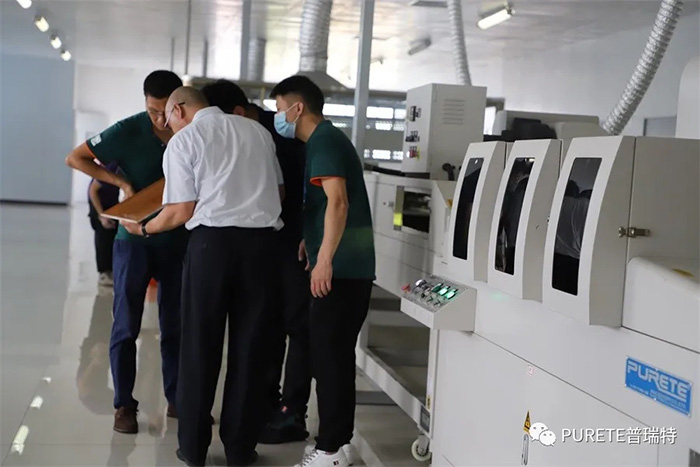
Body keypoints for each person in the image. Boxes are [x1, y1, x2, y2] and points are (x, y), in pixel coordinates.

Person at [121, 87, 285, 467]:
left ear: (178, 109)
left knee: (199, 346)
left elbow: (180, 210)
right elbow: (279, 191)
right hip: (261, 249)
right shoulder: (258, 132)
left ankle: (193, 448)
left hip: (212, 247)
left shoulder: (184, 141)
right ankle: (240, 448)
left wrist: (143, 228)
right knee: (251, 349)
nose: (167, 126)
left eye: (167, 119)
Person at [65, 70, 188, 434]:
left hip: (176, 241)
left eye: (166, 111)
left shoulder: (190, 131)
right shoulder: (128, 129)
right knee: (125, 324)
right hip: (133, 242)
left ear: (179, 104)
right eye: (152, 111)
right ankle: (123, 405)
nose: (160, 119)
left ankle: (177, 399)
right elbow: (76, 158)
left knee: (175, 325)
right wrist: (120, 182)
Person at [271, 75, 376, 467]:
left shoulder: (326, 142)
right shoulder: (323, 141)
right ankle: (339, 443)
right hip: (345, 266)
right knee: (335, 358)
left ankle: (329, 450)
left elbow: (338, 202)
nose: (279, 117)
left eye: (280, 109)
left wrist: (325, 259)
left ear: (297, 108)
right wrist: (311, 241)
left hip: (342, 270)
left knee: (329, 360)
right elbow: (324, 206)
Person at [201, 79, 311, 444]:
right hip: (258, 246)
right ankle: (265, 404)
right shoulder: (234, 131)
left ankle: (292, 411)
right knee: (265, 327)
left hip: (293, 242)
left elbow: (308, 188)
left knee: (297, 325)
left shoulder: (282, 133)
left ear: (236, 112)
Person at [88, 161, 120, 287]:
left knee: (116, 236)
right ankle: (104, 273)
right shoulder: (113, 167)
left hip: (115, 203)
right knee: (103, 235)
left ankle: (115, 270)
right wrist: (101, 215)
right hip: (99, 203)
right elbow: (93, 190)